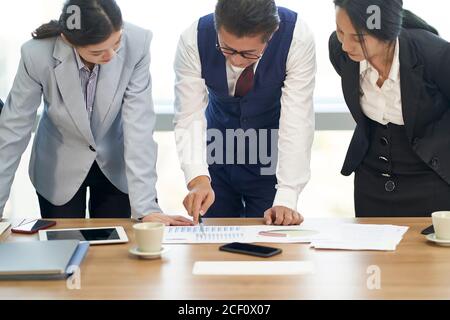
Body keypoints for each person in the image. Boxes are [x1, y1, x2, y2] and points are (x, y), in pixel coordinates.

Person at [0, 0, 192, 226]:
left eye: (117, 43)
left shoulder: (137, 44)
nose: (111, 55)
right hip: (59, 165)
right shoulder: (36, 54)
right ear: (69, 41)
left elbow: (139, 128)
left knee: (116, 252)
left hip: (116, 163)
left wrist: (146, 207)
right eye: (97, 51)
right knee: (64, 248)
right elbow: (13, 132)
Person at [174, 0, 316, 226]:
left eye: (248, 53)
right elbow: (188, 115)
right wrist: (197, 178)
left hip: (270, 156)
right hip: (217, 151)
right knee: (212, 239)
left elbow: (298, 119)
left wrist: (287, 196)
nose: (236, 61)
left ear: (271, 34)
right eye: (227, 49)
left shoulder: (296, 38)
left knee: (269, 237)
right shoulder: (194, 39)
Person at [329, 0, 450, 217]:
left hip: (432, 181)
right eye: (340, 31)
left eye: (358, 38)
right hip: (371, 182)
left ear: (388, 30)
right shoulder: (339, 51)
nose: (346, 45)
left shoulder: (436, 56)